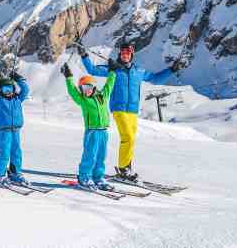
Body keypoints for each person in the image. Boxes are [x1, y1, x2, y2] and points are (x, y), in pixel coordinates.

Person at [79, 41, 172, 181]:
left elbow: (155, 78)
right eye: (122, 53)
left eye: (127, 53)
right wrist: (84, 54)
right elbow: (92, 70)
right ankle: (123, 169)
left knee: (130, 140)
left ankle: (127, 166)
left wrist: (172, 69)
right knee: (127, 136)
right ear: (119, 54)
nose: (125, 55)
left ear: (132, 54)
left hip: (133, 110)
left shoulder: (138, 71)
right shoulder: (114, 69)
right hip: (119, 108)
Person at [61, 62, 116, 190]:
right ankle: (84, 177)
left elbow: (109, 85)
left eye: (88, 87)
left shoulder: (102, 96)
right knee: (90, 155)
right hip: (92, 132)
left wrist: (112, 72)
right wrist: (68, 77)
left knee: (101, 156)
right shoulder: (83, 100)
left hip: (103, 131)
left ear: (94, 87)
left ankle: (98, 178)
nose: (86, 91)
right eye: (83, 88)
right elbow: (72, 91)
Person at [0, 71, 30, 184]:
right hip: (4, 131)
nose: (8, 92)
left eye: (10, 89)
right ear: (0, 90)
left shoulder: (18, 99)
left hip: (16, 130)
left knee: (16, 152)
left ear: (14, 90)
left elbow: (26, 90)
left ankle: (15, 173)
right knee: (5, 153)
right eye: (5, 90)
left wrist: (18, 79)